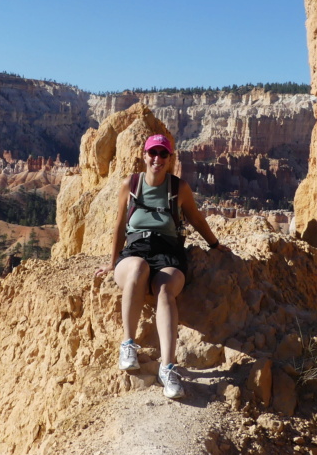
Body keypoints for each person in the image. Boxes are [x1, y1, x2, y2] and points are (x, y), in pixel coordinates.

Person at [94, 133, 229, 399]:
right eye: (153, 153)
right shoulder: (131, 184)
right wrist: (112, 263)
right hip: (136, 250)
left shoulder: (179, 188)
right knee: (137, 270)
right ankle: (128, 345)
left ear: (170, 159)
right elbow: (120, 226)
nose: (157, 159)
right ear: (144, 156)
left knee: (165, 290)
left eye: (163, 154)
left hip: (169, 253)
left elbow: (197, 220)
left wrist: (215, 245)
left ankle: (168, 368)